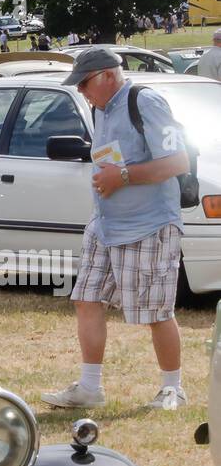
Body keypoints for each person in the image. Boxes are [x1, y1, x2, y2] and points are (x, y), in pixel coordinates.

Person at [42, 48, 190, 411]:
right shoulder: (100, 108)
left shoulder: (146, 102)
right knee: (86, 299)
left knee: (156, 312)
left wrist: (122, 176)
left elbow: (177, 161)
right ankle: (90, 388)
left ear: (108, 75)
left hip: (150, 224)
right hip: (106, 224)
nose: (81, 92)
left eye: (84, 84)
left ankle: (173, 389)